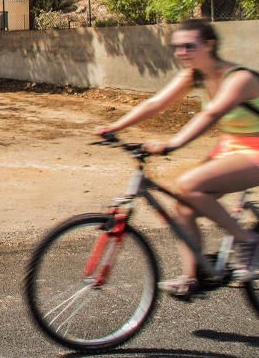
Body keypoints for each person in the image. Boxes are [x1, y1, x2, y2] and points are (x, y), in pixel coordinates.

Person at [99, 18, 259, 299]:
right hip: (232, 147)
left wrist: (172, 144)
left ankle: (248, 240)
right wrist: (115, 127)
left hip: (255, 149)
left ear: (209, 45)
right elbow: (156, 103)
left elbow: (210, 114)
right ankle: (191, 278)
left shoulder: (240, 78)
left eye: (188, 46)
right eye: (177, 47)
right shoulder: (194, 75)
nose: (181, 53)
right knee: (182, 205)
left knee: (188, 185)